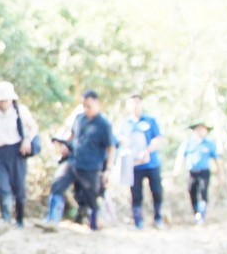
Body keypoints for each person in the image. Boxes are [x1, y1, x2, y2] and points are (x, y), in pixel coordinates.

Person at [41, 90, 112, 230]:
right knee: (57, 186)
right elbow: (73, 136)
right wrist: (64, 145)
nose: (86, 109)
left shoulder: (104, 125)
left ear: (97, 104)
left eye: (89, 106)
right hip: (73, 162)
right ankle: (52, 220)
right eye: (84, 105)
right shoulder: (79, 119)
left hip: (91, 167)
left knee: (91, 198)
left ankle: (94, 224)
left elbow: (111, 148)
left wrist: (108, 169)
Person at [0, 80, 39, 226]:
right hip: (0, 153)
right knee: (3, 187)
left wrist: (27, 139)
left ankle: (20, 219)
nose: (3, 103)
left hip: (16, 151)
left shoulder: (21, 112)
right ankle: (5, 217)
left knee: (19, 188)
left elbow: (34, 127)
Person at [122, 93, 165, 229]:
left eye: (137, 102)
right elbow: (121, 142)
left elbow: (158, 139)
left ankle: (158, 219)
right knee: (136, 194)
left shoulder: (150, 121)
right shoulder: (125, 124)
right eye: (132, 103)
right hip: (134, 166)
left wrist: (147, 150)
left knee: (157, 192)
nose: (135, 105)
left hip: (152, 164)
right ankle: (138, 221)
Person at [177, 121, 222, 223]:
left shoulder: (209, 144)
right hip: (192, 172)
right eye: (198, 129)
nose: (200, 131)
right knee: (191, 191)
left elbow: (217, 159)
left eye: (202, 129)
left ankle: (202, 214)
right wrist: (177, 169)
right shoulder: (188, 143)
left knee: (203, 191)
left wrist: (220, 174)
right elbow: (181, 156)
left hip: (204, 172)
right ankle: (196, 212)